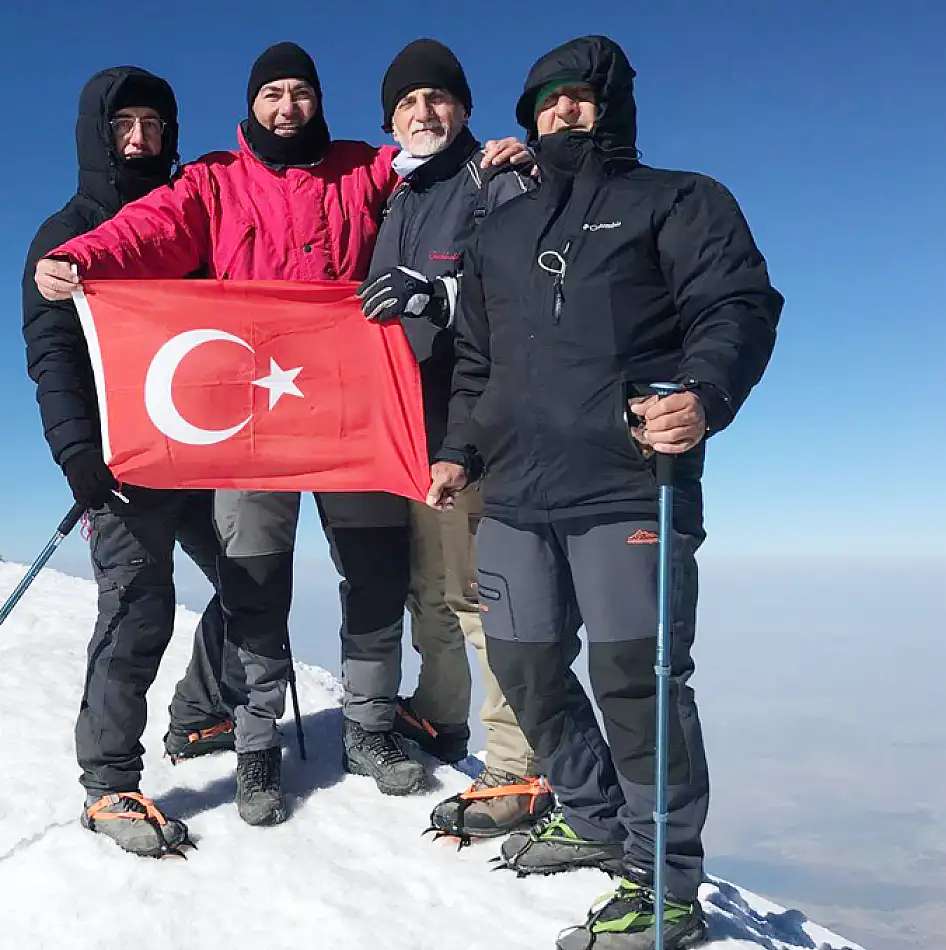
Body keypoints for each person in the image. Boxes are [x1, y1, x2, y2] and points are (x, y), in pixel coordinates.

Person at [37, 42, 530, 827]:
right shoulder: (212, 180)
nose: (287, 106)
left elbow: (434, 163)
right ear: (252, 104)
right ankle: (258, 741)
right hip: (250, 422)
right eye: (273, 93)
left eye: (301, 92)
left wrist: (503, 153)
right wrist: (79, 256)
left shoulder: (365, 170)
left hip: (349, 410)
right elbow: (151, 230)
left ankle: (370, 727)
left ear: (318, 102)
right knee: (253, 583)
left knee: (373, 575)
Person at [429, 35, 781, 949]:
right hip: (511, 492)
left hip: (629, 485)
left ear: (612, 107)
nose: (564, 111)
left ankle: (664, 887)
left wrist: (703, 395)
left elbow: (736, 306)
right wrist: (459, 448)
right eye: (547, 101)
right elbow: (477, 359)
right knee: (524, 667)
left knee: (641, 686)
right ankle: (589, 812)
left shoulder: (677, 200)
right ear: (529, 116)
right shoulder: (500, 228)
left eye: (581, 97)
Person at [21, 65, 247, 858]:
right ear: (98, 133)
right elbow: (50, 354)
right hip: (123, 465)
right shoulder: (66, 233)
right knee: (136, 613)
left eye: (154, 124)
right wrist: (76, 452)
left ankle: (201, 711)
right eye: (125, 125)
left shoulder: (197, 220)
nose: (141, 139)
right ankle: (110, 781)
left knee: (256, 584)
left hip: (205, 450)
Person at [354, 37, 554, 845]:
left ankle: (518, 763)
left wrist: (435, 295)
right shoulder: (400, 196)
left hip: (476, 430)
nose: (423, 112)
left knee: (482, 598)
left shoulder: (498, 178)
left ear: (466, 110)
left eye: (437, 99)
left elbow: (523, 288)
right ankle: (439, 717)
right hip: (410, 429)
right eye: (407, 103)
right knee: (430, 593)